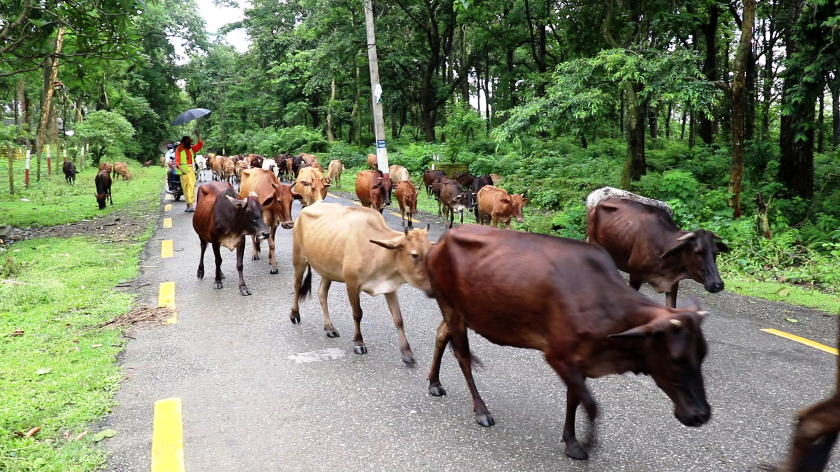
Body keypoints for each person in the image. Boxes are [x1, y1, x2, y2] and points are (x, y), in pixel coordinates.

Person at [175, 131, 203, 212]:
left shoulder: (191, 149)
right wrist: (181, 169)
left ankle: (191, 205)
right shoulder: (179, 150)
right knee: (186, 188)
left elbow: (200, 144)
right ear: (185, 142)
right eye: (189, 141)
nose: (191, 143)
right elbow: (177, 161)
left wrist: (198, 135)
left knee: (191, 186)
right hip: (183, 171)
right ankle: (188, 205)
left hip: (191, 170)